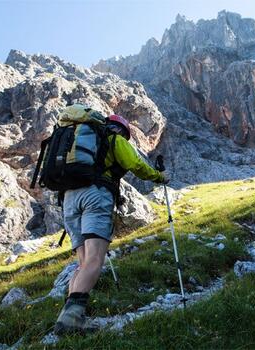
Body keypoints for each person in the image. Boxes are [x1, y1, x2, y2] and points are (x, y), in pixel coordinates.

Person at [54, 114, 169, 335]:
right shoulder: (114, 139)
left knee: (83, 263)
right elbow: (135, 164)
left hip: (68, 200)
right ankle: (70, 319)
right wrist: (158, 177)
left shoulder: (78, 139)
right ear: (121, 131)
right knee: (95, 260)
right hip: (95, 196)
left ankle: (70, 316)